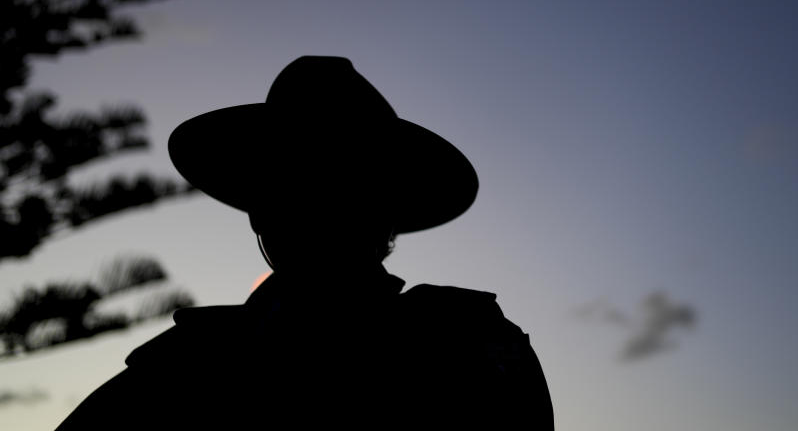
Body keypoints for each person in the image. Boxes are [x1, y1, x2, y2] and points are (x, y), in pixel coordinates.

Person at [56, 56, 554, 430]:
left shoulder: (185, 370)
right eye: (301, 178)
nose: (322, 199)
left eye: (343, 179)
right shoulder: (181, 367)